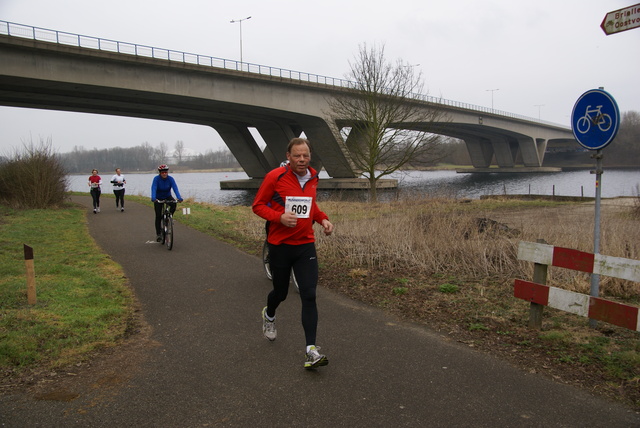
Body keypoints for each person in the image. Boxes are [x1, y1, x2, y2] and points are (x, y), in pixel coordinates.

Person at [252, 137, 334, 369]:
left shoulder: (313, 177)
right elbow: (258, 205)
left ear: (310, 156)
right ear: (288, 156)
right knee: (280, 293)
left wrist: (323, 219)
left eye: (305, 155)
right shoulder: (274, 177)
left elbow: (311, 205)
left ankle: (311, 350)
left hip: (305, 244)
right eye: (297, 155)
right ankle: (269, 314)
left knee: (309, 295)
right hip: (280, 246)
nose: (301, 160)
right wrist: (279, 217)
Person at [151, 164, 183, 242]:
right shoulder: (156, 179)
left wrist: (179, 197)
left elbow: (175, 188)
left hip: (167, 196)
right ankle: (158, 234)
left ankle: (169, 217)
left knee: (174, 204)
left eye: (166, 172)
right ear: (160, 173)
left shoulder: (170, 179)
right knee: (158, 216)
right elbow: (153, 188)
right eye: (162, 172)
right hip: (158, 198)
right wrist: (153, 197)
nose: (164, 174)